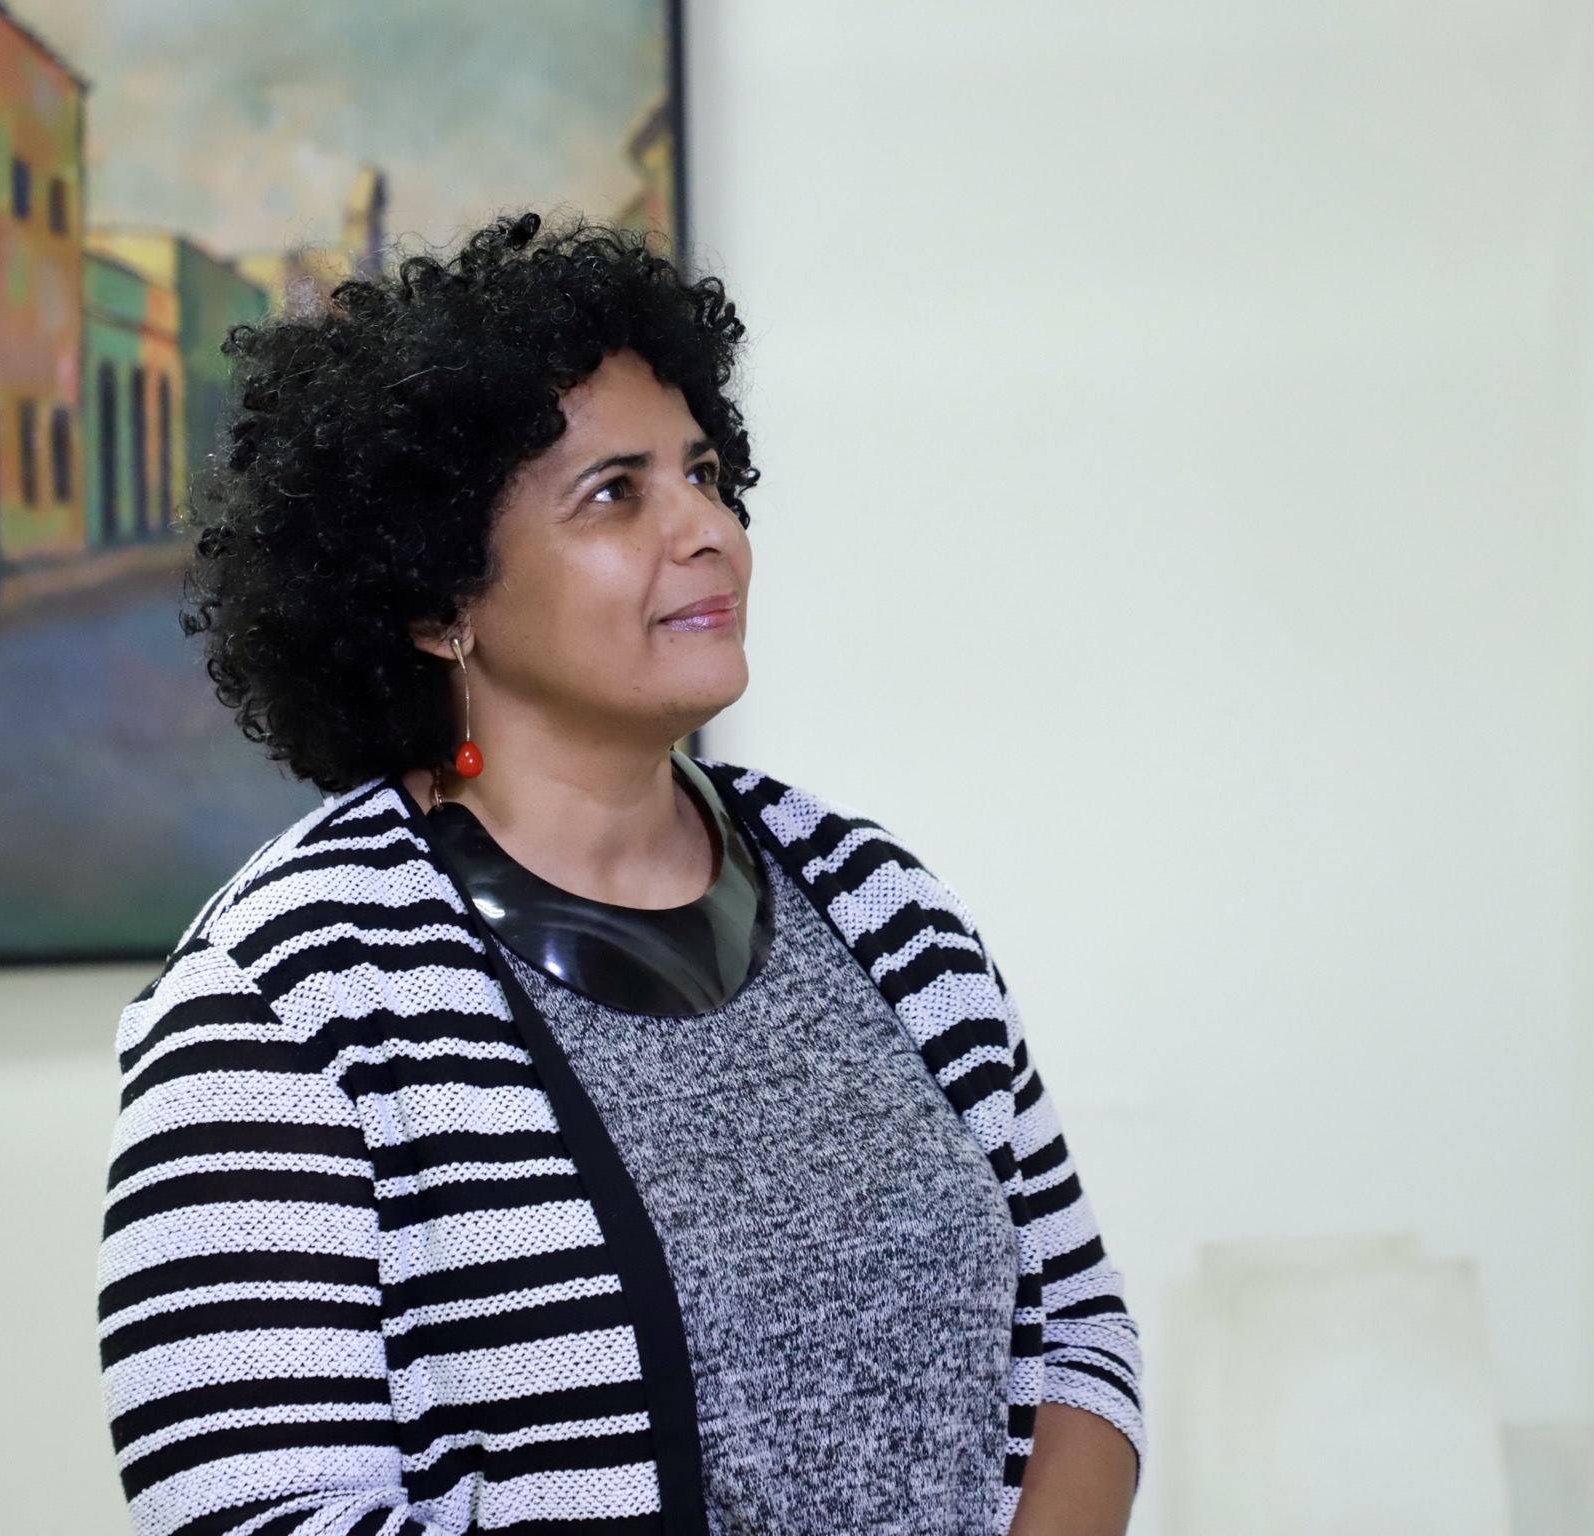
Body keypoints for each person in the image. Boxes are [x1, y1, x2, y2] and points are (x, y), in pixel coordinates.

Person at [98, 213, 1143, 1536]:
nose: (708, 529)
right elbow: (254, 1513)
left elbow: (1078, 1336)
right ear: (438, 603)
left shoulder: (880, 906)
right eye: (615, 493)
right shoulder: (286, 1001)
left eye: (703, 472)